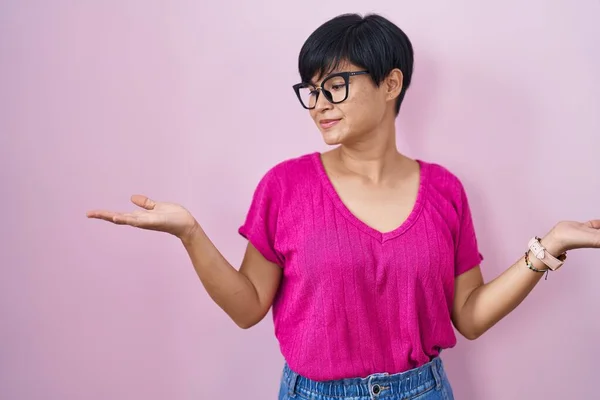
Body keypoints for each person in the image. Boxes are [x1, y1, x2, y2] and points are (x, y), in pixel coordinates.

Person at [87, 13, 600, 400]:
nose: (320, 104)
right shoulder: (285, 186)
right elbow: (247, 309)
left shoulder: (445, 190)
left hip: (423, 391)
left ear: (390, 84)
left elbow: (467, 316)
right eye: (311, 91)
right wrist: (190, 233)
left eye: (335, 86)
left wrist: (550, 245)